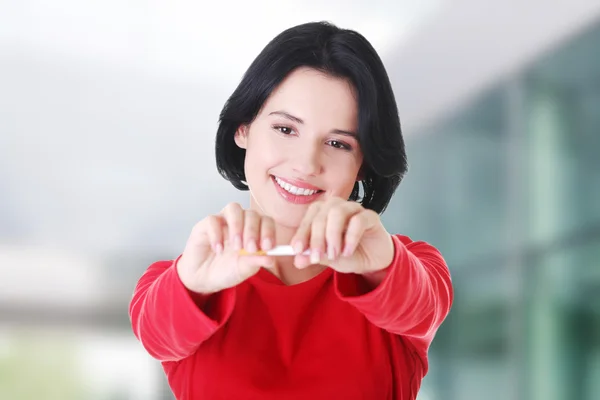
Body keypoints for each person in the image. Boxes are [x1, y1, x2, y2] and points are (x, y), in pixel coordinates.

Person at [129, 21, 453, 400]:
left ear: (363, 164)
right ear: (243, 129)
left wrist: (381, 264)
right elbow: (154, 334)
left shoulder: (408, 270)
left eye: (338, 143)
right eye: (286, 129)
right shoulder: (187, 281)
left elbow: (422, 306)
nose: (306, 164)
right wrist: (191, 284)